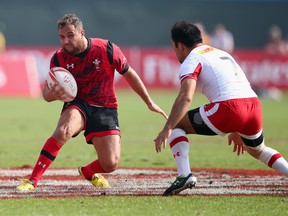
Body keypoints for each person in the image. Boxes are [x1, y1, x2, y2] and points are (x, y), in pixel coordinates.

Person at [16, 14, 167, 191]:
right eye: (61, 37)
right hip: (78, 104)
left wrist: (149, 102)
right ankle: (32, 180)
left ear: (82, 33)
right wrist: (54, 94)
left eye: (70, 35)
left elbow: (129, 74)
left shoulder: (106, 49)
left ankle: (87, 172)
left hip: (105, 107)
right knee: (62, 131)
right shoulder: (58, 59)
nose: (65, 41)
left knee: (110, 164)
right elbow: (46, 95)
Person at [154, 20, 288, 196]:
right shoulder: (220, 53)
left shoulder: (191, 59)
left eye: (173, 46)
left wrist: (167, 128)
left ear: (179, 45)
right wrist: (237, 127)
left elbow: (185, 97)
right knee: (258, 150)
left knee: (177, 124)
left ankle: (184, 175)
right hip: (253, 106)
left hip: (229, 108)